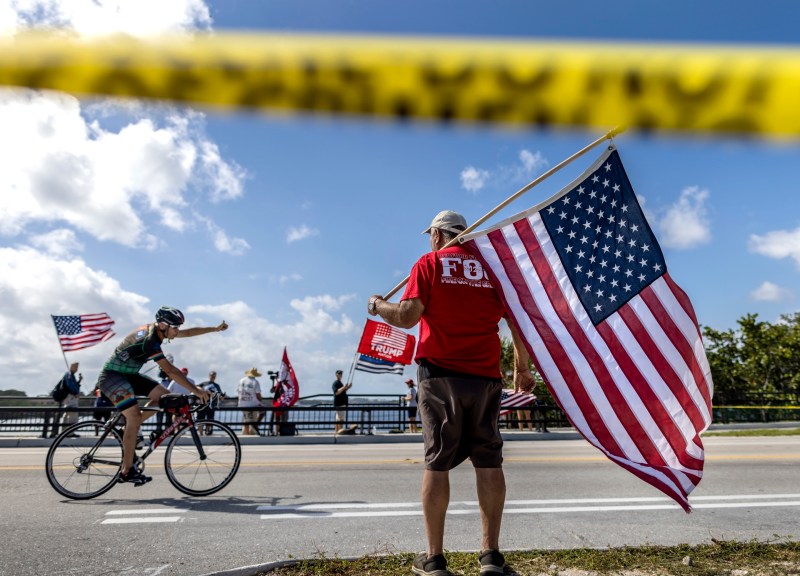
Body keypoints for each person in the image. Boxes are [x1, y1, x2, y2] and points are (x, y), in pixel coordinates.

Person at [367, 209, 533, 576]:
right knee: (489, 461)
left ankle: (434, 559)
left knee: (437, 461)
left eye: (431, 235)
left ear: (439, 235)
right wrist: (522, 368)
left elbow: (409, 316)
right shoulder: (492, 272)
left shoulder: (428, 264)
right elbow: (517, 322)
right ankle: (490, 556)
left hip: (440, 376)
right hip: (486, 378)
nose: (429, 240)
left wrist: (378, 306)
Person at [96, 306, 225, 485]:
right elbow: (170, 371)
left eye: (178, 327)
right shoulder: (150, 340)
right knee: (133, 417)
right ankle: (127, 471)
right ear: (164, 325)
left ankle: (131, 431)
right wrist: (197, 390)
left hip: (129, 375)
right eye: (175, 327)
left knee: (165, 397)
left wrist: (214, 329)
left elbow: (188, 333)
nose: (178, 331)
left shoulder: (161, 331)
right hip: (112, 376)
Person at [197, 370, 225, 435]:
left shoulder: (217, 385)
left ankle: (208, 433)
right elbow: (196, 387)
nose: (212, 377)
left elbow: (220, 395)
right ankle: (200, 434)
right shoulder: (204, 383)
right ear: (209, 376)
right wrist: (203, 390)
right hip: (202, 404)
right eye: (211, 375)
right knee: (200, 420)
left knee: (210, 420)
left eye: (214, 376)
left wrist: (221, 397)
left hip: (211, 405)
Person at [238, 367, 264, 436]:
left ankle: (246, 434)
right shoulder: (255, 382)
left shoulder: (242, 380)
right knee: (263, 411)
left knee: (246, 419)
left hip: (242, 403)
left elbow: (238, 391)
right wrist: (260, 402)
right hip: (252, 404)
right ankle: (256, 426)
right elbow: (258, 394)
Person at [60, 362, 83, 436]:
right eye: (76, 367)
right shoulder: (69, 375)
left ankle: (65, 432)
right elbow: (70, 385)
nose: (76, 369)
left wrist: (79, 381)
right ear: (72, 367)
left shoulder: (70, 375)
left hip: (69, 398)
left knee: (67, 414)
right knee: (73, 414)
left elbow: (74, 385)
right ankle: (70, 433)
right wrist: (75, 393)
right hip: (71, 398)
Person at [331, 369, 352, 434]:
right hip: (339, 404)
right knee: (340, 419)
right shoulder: (335, 383)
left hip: (342, 403)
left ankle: (338, 432)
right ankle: (339, 432)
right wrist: (343, 387)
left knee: (339, 419)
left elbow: (342, 391)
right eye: (339, 374)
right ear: (336, 375)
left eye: (341, 374)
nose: (340, 375)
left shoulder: (340, 383)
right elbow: (336, 392)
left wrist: (347, 387)